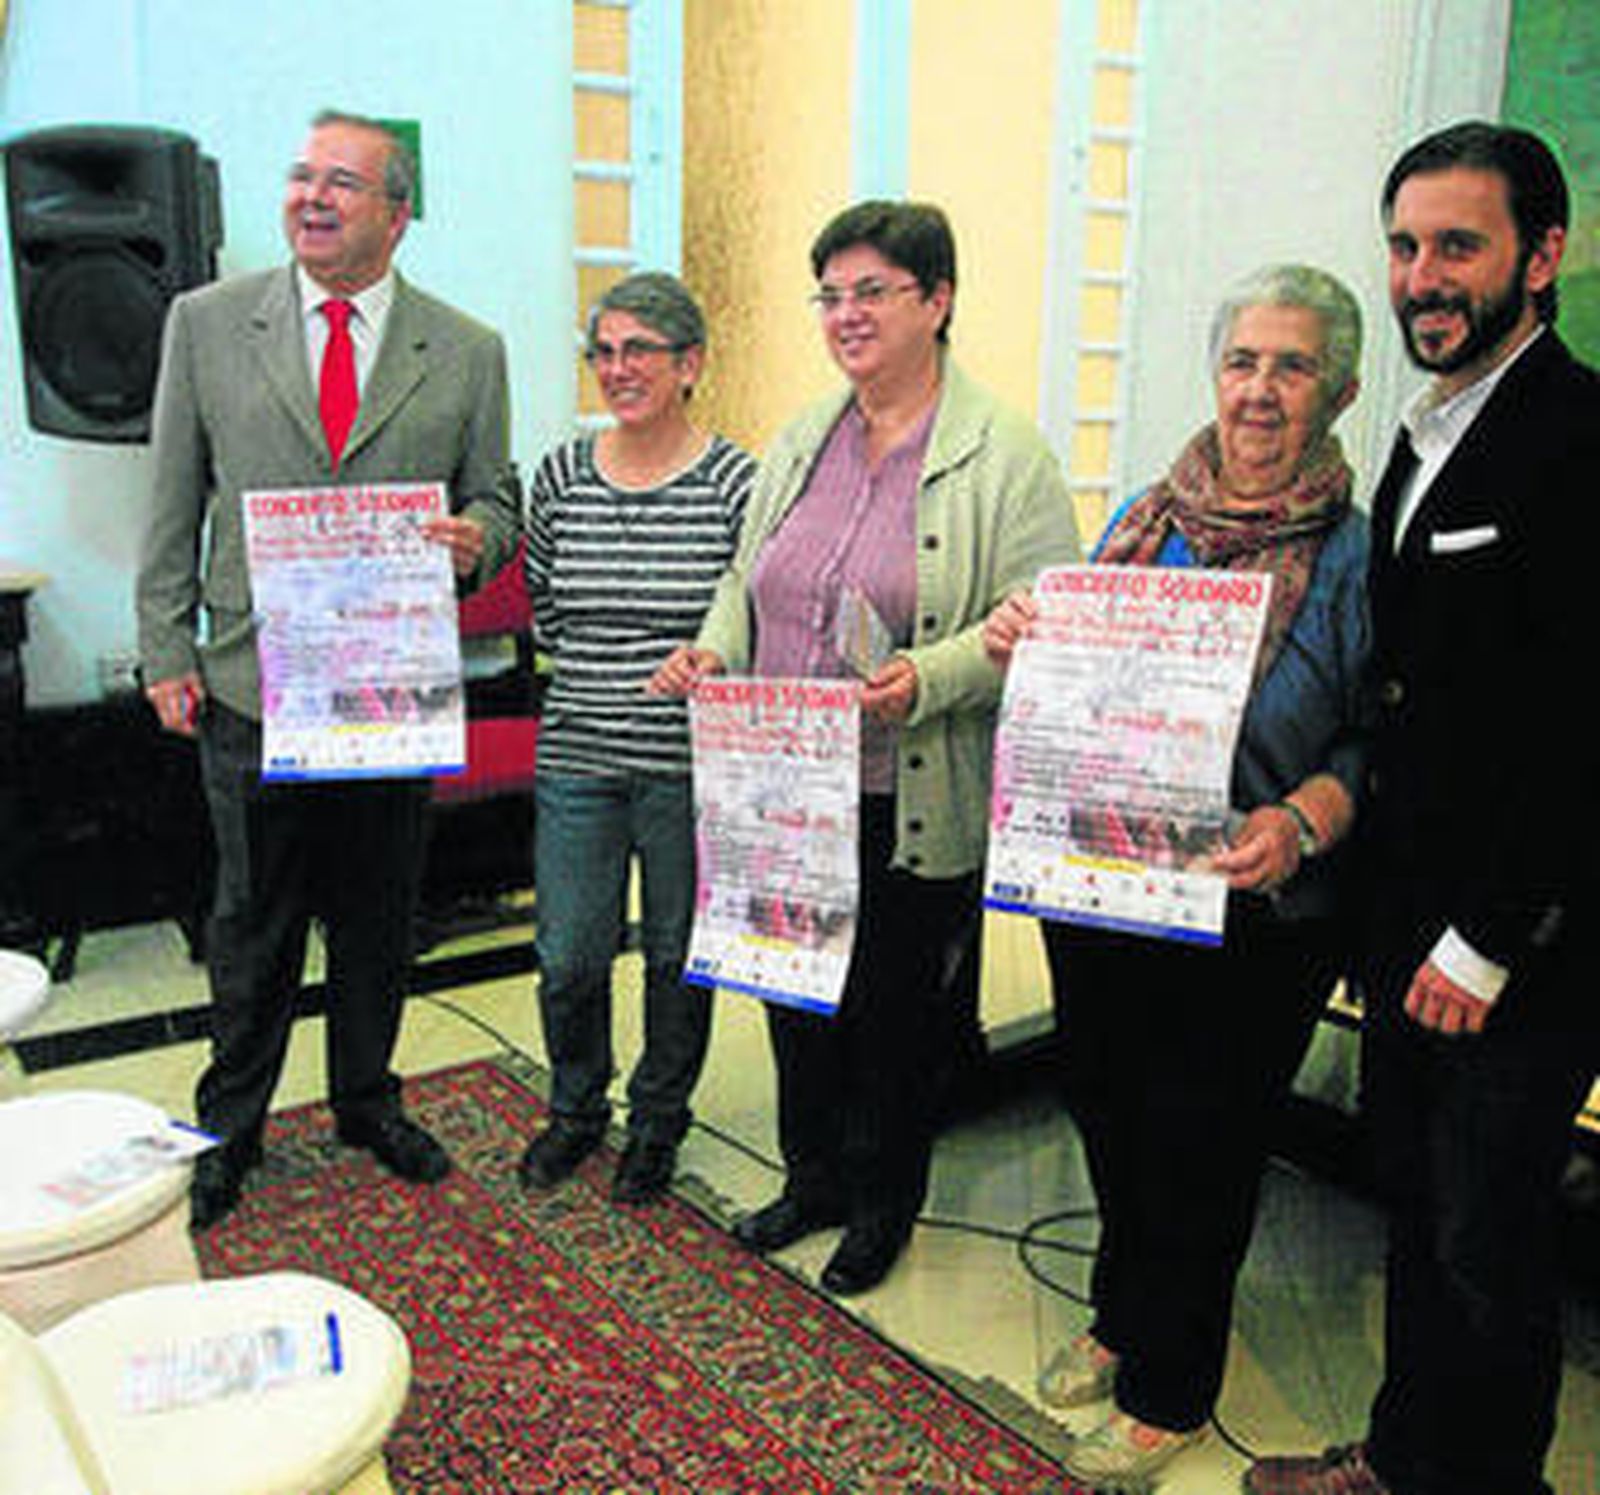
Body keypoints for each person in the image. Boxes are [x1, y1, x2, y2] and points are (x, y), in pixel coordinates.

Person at [1245, 123, 1600, 1495]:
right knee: (1416, 1208)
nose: (1424, 277)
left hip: (1516, 941)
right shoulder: (1421, 433)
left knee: (1485, 1241)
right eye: (1405, 247)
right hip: (1405, 916)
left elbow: (1582, 728)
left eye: (1460, 245)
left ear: (1543, 254)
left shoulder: (1579, 437)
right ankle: (1403, 1458)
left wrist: (1489, 936)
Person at [985, 263, 1370, 1489]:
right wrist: (1023, 633)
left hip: (1256, 897)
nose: (1259, 392)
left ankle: (1171, 1383)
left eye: (1292, 367)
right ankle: (1116, 1311)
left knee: (1199, 1137)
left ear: (1341, 388)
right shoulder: (1146, 516)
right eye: (1242, 361)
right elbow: (1083, 666)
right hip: (1106, 881)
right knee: (1103, 1097)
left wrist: (1304, 817)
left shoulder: (1358, 555)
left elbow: (1386, 731)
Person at [652, 200, 1079, 1295]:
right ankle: (812, 1178)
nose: (845, 315)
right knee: (789, 993)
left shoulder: (1006, 455)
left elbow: (1039, 623)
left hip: (905, 786)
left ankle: (881, 1201)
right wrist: (711, 652)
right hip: (777, 777)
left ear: (937, 301)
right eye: (830, 295)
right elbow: (742, 584)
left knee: (889, 1015)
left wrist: (927, 681)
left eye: (871, 292)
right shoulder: (803, 435)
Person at [137, 110, 518, 1231]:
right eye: (300, 173)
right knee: (250, 923)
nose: (311, 195)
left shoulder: (467, 347)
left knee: (376, 915)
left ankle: (366, 1098)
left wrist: (477, 541)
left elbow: (495, 498)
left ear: (397, 213)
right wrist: (165, 646)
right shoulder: (204, 325)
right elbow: (170, 501)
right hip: (253, 685)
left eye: (342, 182)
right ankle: (229, 1129)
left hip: (388, 691)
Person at [514, 272, 754, 1205]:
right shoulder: (562, 475)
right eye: (603, 351)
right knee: (568, 953)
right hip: (577, 752)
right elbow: (546, 609)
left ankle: (658, 1122)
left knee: (675, 955)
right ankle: (575, 1111)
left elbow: (745, 618)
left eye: (639, 350)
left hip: (690, 767)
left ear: (689, 364)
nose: (617, 368)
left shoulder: (739, 480)